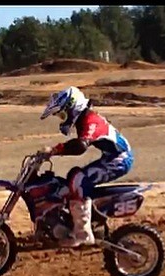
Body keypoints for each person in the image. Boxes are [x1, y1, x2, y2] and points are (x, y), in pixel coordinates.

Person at [38, 86, 134, 247]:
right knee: (73, 175)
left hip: (120, 159)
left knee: (78, 180)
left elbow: (81, 146)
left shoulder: (91, 121)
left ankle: (83, 234)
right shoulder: (85, 119)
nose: (63, 119)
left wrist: (55, 150)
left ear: (72, 107)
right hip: (111, 157)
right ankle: (76, 219)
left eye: (62, 115)